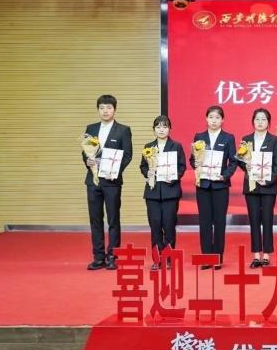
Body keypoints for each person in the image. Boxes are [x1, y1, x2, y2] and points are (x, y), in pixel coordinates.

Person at [82, 94, 132, 271]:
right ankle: (98, 257)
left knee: (113, 219)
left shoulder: (123, 130)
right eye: (102, 108)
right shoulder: (91, 128)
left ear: (114, 110)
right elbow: (85, 152)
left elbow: (127, 155)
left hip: (112, 181)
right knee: (95, 220)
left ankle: (112, 256)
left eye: (109, 108)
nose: (105, 111)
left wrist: (114, 171)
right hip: (93, 181)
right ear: (98, 110)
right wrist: (87, 161)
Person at [190, 105, 237, 270]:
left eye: (217, 118)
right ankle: (206, 257)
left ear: (222, 120)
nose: (214, 121)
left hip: (220, 186)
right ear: (206, 119)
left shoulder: (228, 138)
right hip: (203, 185)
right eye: (211, 117)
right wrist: (197, 164)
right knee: (204, 222)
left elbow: (234, 161)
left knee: (219, 222)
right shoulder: (199, 136)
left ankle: (217, 258)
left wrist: (225, 175)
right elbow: (192, 159)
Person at [139, 115, 186, 271]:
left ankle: (168, 258)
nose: (161, 130)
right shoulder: (148, 147)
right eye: (158, 127)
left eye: (165, 126)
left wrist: (173, 177)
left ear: (169, 129)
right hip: (152, 193)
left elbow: (182, 167)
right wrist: (148, 173)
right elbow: (143, 166)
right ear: (154, 129)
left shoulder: (176, 146)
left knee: (169, 226)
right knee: (155, 226)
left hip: (170, 192)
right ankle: (157, 259)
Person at [238, 108, 277, 268]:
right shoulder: (246, 139)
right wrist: (247, 166)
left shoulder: (274, 140)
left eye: (263, 119)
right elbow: (240, 160)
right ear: (253, 121)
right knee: (254, 219)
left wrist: (268, 180)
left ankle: (266, 254)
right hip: (251, 186)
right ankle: (256, 255)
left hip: (268, 187)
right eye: (257, 119)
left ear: (268, 122)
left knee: (267, 219)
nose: (260, 122)